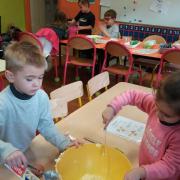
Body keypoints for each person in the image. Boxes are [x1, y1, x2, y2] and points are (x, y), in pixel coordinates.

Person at [0, 41, 80, 168]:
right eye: (29, 79)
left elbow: (46, 126)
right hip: (3, 160)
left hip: (26, 152)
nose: (37, 84)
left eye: (40, 77)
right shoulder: (3, 103)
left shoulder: (41, 97)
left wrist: (64, 143)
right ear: (11, 76)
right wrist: (5, 150)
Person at [102, 72, 180, 180]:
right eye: (157, 107)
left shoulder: (177, 136)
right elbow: (132, 95)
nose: (157, 114)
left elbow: (169, 166)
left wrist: (143, 171)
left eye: (166, 115)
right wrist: (112, 107)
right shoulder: (157, 106)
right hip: (143, 171)